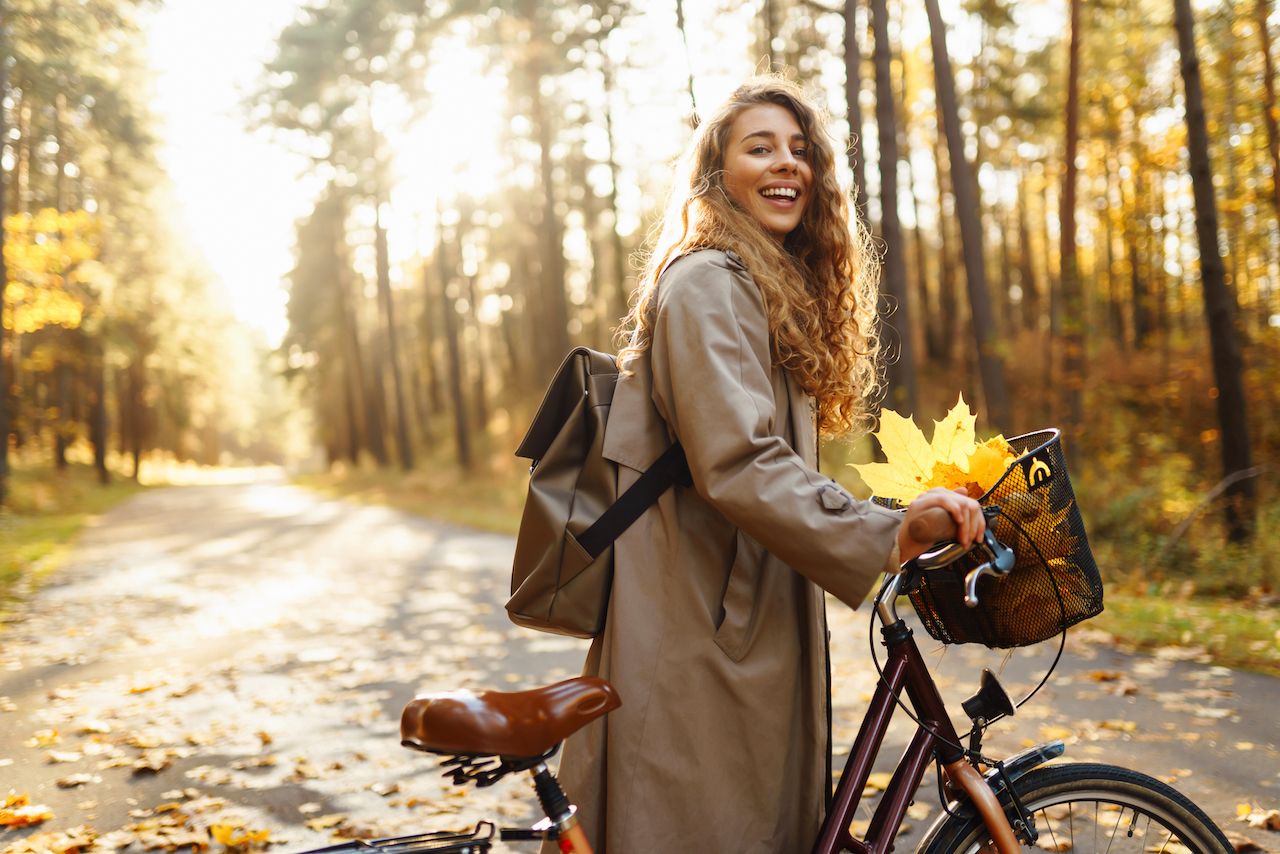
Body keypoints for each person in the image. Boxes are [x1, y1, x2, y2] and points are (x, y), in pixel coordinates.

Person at [548, 76, 985, 853]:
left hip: (731, 612)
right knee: (697, 825)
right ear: (718, 173)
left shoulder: (759, 285)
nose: (787, 164)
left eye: (799, 149)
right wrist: (881, 533)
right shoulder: (707, 282)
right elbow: (739, 464)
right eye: (760, 147)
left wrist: (872, 515)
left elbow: (768, 459)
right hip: (696, 621)